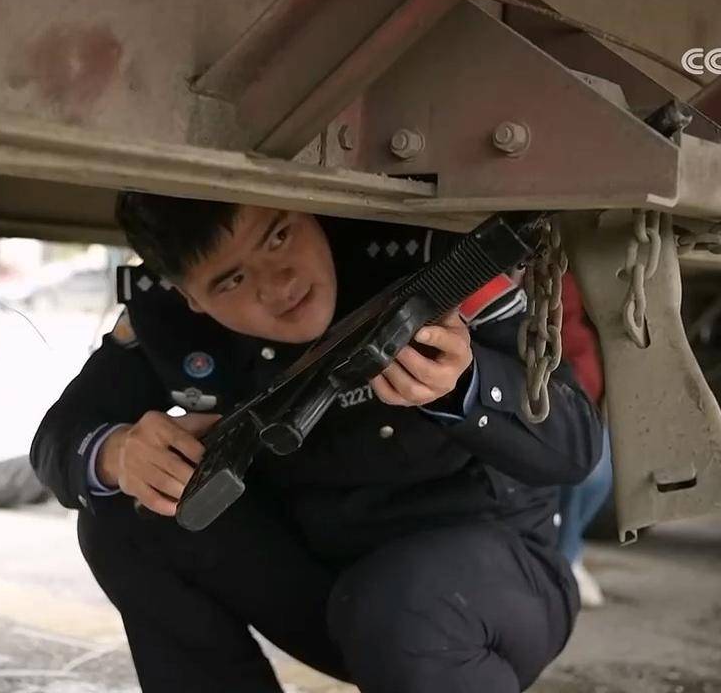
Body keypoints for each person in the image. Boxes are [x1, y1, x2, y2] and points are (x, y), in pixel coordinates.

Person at [30, 193, 603, 693]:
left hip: (491, 591)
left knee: (397, 605)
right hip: (329, 591)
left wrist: (468, 383)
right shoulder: (168, 318)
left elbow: (576, 446)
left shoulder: (429, 263)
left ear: (308, 210)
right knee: (125, 520)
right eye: (231, 280)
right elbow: (59, 436)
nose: (279, 284)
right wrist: (118, 452)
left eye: (279, 235)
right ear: (191, 297)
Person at [553, 276, 614, 608]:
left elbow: (572, 335)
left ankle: (566, 556)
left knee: (595, 470)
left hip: (566, 379)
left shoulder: (564, 275)